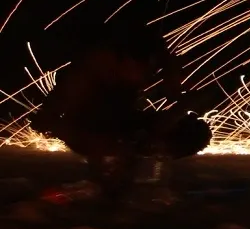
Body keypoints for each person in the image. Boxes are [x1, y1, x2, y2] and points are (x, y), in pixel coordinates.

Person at [33, 22, 212, 198]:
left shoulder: (141, 65)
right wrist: (103, 147)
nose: (148, 77)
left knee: (194, 132)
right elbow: (46, 121)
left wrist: (180, 98)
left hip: (121, 123)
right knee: (116, 147)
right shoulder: (86, 78)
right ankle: (112, 176)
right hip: (94, 127)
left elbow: (171, 84)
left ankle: (134, 167)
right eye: (146, 69)